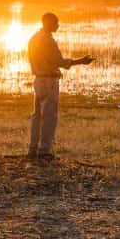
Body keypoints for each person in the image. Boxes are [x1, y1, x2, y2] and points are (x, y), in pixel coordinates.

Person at [26, 12, 94, 160]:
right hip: (49, 81)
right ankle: (44, 151)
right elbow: (59, 61)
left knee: (37, 116)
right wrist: (81, 61)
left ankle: (32, 148)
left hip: (38, 80)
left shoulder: (34, 38)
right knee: (49, 116)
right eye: (55, 22)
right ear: (47, 23)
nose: (58, 25)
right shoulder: (48, 40)